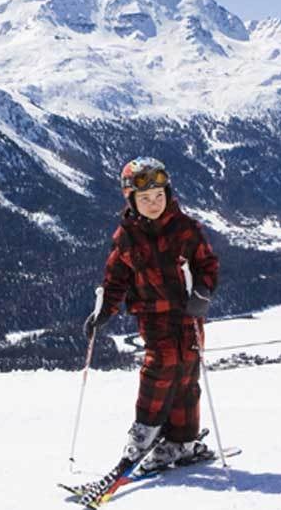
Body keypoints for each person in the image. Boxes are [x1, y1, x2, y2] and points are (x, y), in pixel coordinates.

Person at [84, 156, 219, 472]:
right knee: (161, 366)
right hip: (154, 316)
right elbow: (115, 280)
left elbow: (207, 265)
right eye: (145, 198)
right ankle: (145, 431)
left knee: (187, 375)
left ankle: (181, 441)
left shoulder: (187, 230)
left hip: (188, 314)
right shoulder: (127, 239)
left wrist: (202, 292)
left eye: (159, 195)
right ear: (131, 200)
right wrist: (104, 311)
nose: (154, 203)